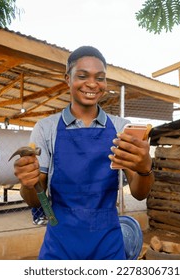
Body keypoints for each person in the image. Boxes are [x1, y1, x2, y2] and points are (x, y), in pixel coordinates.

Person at [13, 46, 154, 260]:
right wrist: (28, 183)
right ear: (67, 79)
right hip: (60, 244)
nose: (92, 84)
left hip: (108, 244)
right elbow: (34, 201)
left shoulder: (121, 128)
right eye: (82, 76)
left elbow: (139, 193)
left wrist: (145, 170)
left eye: (100, 78)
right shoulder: (46, 129)